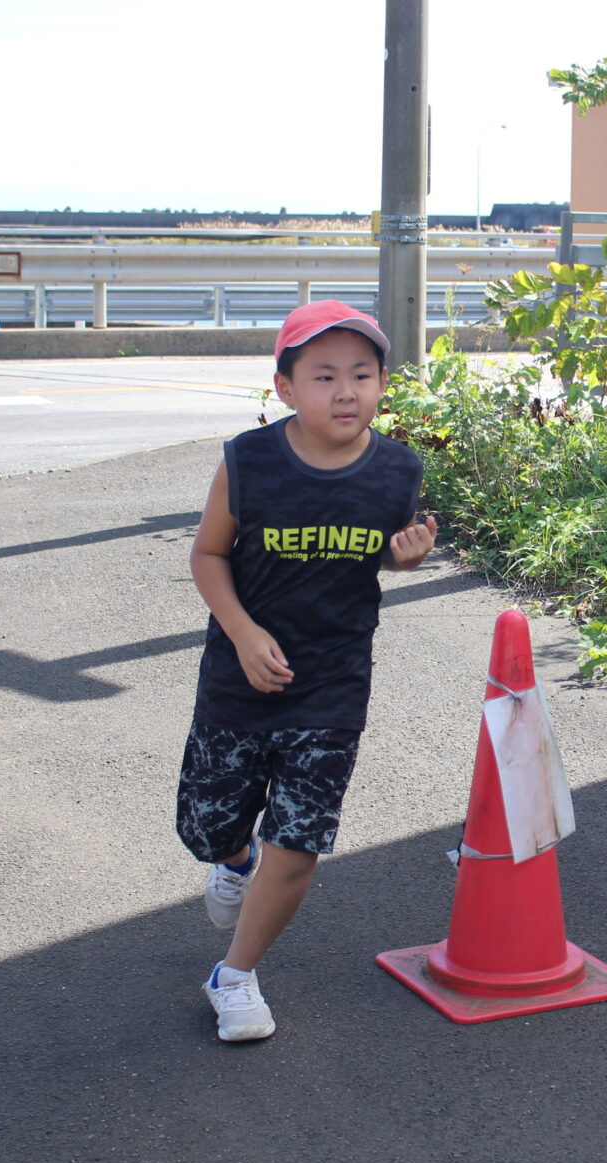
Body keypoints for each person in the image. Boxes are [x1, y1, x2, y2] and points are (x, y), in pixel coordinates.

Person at [175, 299, 437, 1041]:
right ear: (286, 388)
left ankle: (235, 976)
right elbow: (208, 554)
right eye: (324, 376)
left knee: (300, 843)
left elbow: (371, 554)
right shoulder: (247, 461)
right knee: (208, 823)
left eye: (362, 373)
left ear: (383, 383)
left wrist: (400, 555)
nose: (346, 391)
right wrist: (244, 631)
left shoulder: (397, 469)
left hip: (332, 683)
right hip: (238, 678)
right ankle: (231, 862)